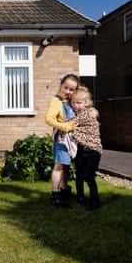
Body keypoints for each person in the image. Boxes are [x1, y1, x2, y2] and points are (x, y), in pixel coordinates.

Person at [44, 73, 79, 208]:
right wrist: (64, 126)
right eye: (66, 88)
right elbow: (49, 119)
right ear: (61, 85)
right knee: (58, 167)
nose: (68, 91)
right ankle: (55, 195)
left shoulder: (67, 102)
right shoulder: (56, 101)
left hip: (69, 140)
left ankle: (65, 190)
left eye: (72, 89)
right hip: (61, 140)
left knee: (65, 166)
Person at [69, 86, 103, 211]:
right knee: (79, 175)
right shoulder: (76, 112)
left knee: (88, 176)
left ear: (86, 103)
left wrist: (56, 129)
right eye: (73, 102)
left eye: (79, 103)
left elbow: (71, 123)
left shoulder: (87, 113)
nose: (76, 105)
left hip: (93, 150)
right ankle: (80, 196)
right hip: (81, 149)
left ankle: (95, 200)